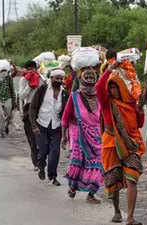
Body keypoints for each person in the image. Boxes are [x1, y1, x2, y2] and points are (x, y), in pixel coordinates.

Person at [96, 60, 145, 225]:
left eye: (115, 86)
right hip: (111, 145)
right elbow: (98, 87)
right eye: (110, 87)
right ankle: (117, 211)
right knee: (114, 182)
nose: (112, 90)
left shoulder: (131, 103)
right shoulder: (106, 103)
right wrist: (109, 69)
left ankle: (130, 217)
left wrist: (140, 110)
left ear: (121, 87)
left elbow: (139, 123)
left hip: (132, 144)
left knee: (132, 179)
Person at [61, 67, 104, 204]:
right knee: (78, 162)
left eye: (93, 77)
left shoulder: (100, 97)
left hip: (96, 135)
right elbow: (65, 117)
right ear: (81, 79)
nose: (90, 79)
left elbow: (104, 117)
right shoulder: (74, 96)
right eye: (87, 77)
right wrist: (64, 136)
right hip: (77, 133)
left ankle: (91, 194)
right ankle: (73, 187)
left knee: (97, 164)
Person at [30, 69, 68, 186]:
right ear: (51, 78)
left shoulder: (65, 93)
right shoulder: (42, 90)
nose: (59, 80)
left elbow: (66, 112)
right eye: (56, 78)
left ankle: (53, 176)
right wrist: (34, 125)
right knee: (43, 151)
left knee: (55, 152)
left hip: (56, 127)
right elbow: (33, 108)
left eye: (61, 79)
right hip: (41, 125)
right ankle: (41, 167)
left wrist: (66, 131)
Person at [19, 60, 45, 171]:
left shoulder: (42, 79)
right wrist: (29, 85)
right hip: (28, 109)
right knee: (32, 138)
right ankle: (36, 163)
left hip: (41, 109)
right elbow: (21, 96)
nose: (31, 71)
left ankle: (42, 159)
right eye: (28, 69)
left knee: (41, 137)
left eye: (32, 69)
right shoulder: (23, 80)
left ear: (36, 68)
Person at [0, 63, 16, 138]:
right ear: (0, 71)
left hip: (8, 98)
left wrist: (14, 101)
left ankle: (6, 126)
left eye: (5, 71)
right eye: (2, 71)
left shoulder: (9, 78)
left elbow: (12, 89)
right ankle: (1, 130)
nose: (3, 72)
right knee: (0, 115)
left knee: (9, 115)